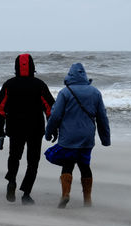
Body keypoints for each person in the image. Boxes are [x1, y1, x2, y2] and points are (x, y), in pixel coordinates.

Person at [45, 63, 111, 208]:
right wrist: (105, 138)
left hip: (68, 137)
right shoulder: (95, 92)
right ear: (84, 75)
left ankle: (65, 195)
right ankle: (87, 199)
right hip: (87, 137)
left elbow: (55, 115)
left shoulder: (65, 92)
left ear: (70, 75)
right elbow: (102, 117)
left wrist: (49, 132)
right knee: (84, 165)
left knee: (68, 164)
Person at [0, 54, 55, 205]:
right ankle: (26, 194)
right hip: (35, 129)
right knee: (33, 162)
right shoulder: (39, 84)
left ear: (16, 67)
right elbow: (50, 108)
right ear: (33, 67)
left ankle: (12, 181)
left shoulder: (9, 84)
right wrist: (53, 128)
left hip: (15, 128)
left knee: (14, 157)